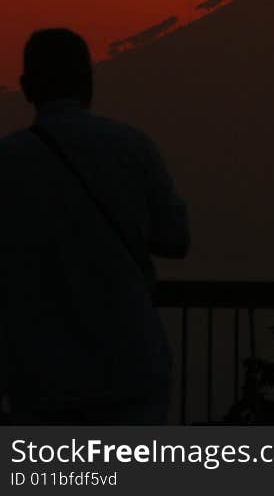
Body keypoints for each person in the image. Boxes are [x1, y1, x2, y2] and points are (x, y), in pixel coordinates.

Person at [0, 28, 189, 424]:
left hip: (41, 375)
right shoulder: (132, 146)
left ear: (26, 87)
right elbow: (175, 239)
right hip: (131, 366)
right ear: (89, 80)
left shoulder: (9, 161)